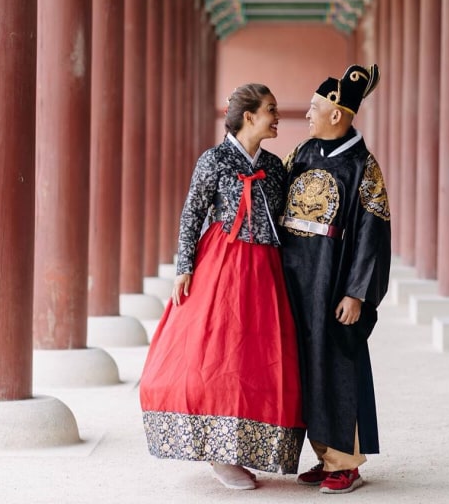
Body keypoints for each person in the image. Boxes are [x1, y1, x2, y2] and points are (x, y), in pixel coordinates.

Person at [140, 84, 305, 490]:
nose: (277, 115)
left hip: (266, 267)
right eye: (270, 109)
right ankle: (219, 453)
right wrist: (184, 266)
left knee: (259, 358)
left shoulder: (275, 166)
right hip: (222, 265)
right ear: (249, 116)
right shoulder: (213, 160)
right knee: (218, 357)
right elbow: (191, 213)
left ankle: (246, 449)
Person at [278, 64, 392, 494]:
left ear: (336, 113)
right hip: (296, 276)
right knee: (306, 364)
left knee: (338, 363)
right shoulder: (302, 153)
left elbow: (372, 234)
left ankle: (346, 460)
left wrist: (357, 293)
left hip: (334, 276)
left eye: (313, 107)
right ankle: (324, 453)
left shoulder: (363, 166)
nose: (306, 114)